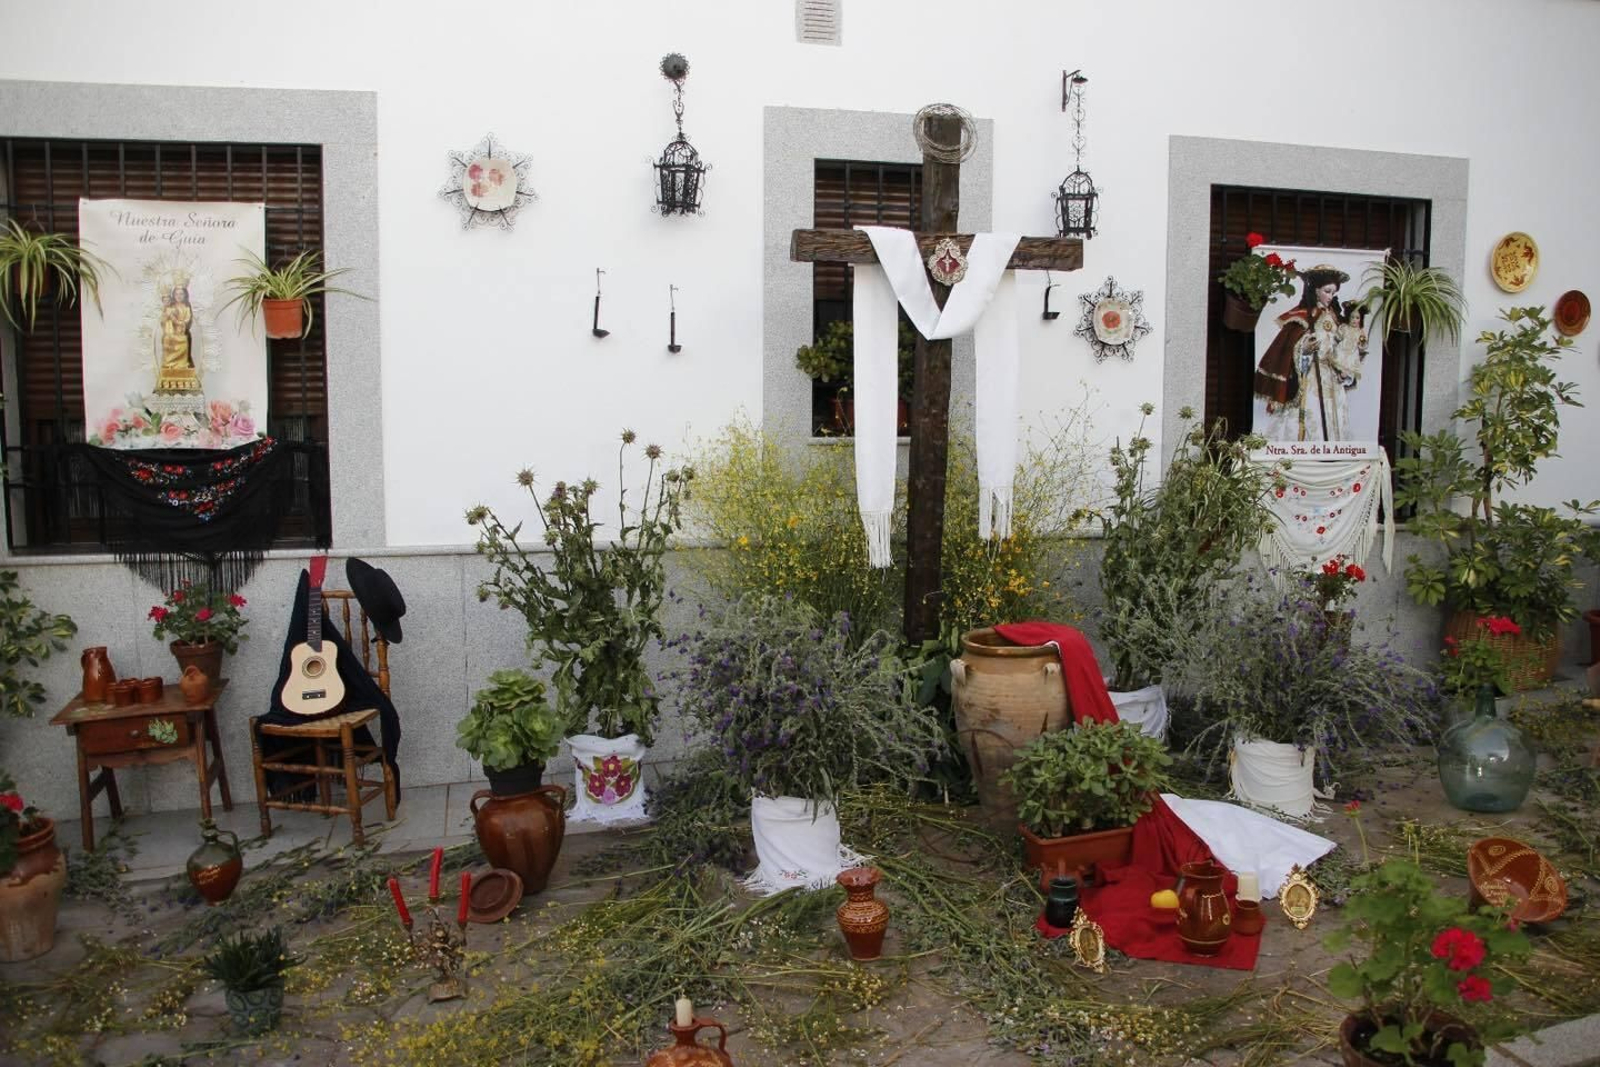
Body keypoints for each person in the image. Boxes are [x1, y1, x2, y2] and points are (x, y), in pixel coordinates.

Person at [1253, 265, 1361, 442]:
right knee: (1311, 418)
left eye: (1333, 293)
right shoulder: (1303, 316)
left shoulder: (1336, 318)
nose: (1330, 297)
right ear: (1316, 290)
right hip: (1310, 379)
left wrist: (1344, 370)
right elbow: (1290, 348)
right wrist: (1304, 349)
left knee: (1335, 420)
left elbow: (1343, 347)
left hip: (1333, 380)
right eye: (1327, 291)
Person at [154, 282, 201, 394]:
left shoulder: (187, 307)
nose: (179, 296)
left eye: (181, 294)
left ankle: (182, 366)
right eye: (176, 294)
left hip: (181, 332)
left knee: (184, 341)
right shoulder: (171, 306)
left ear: (185, 295)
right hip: (171, 332)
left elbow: (188, 319)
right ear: (173, 295)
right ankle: (169, 364)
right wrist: (167, 316)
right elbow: (164, 320)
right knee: (167, 339)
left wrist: (182, 323)